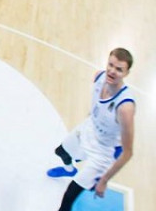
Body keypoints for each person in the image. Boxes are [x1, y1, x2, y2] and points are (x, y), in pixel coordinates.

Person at [47, 48, 136, 211]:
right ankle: (69, 169)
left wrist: (104, 180)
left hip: (104, 152)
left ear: (127, 73)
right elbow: (96, 108)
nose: (112, 71)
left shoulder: (125, 107)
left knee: (68, 197)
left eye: (119, 69)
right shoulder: (98, 77)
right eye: (111, 65)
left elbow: (128, 152)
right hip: (90, 129)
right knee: (61, 152)